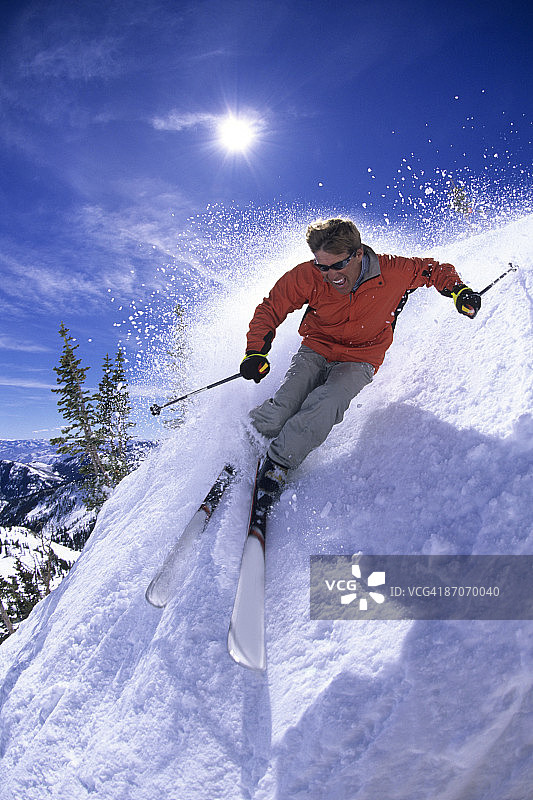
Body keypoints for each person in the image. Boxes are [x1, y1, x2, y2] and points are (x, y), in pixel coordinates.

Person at [239, 217, 481, 530]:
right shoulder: (309, 274)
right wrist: (255, 351)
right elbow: (272, 307)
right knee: (287, 401)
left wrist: (459, 291)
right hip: (317, 347)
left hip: (361, 357)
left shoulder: (392, 271)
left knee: (326, 403)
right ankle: (254, 432)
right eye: (322, 266)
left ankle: (279, 463)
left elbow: (432, 270)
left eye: (336, 266)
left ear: (356, 255)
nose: (329, 275)